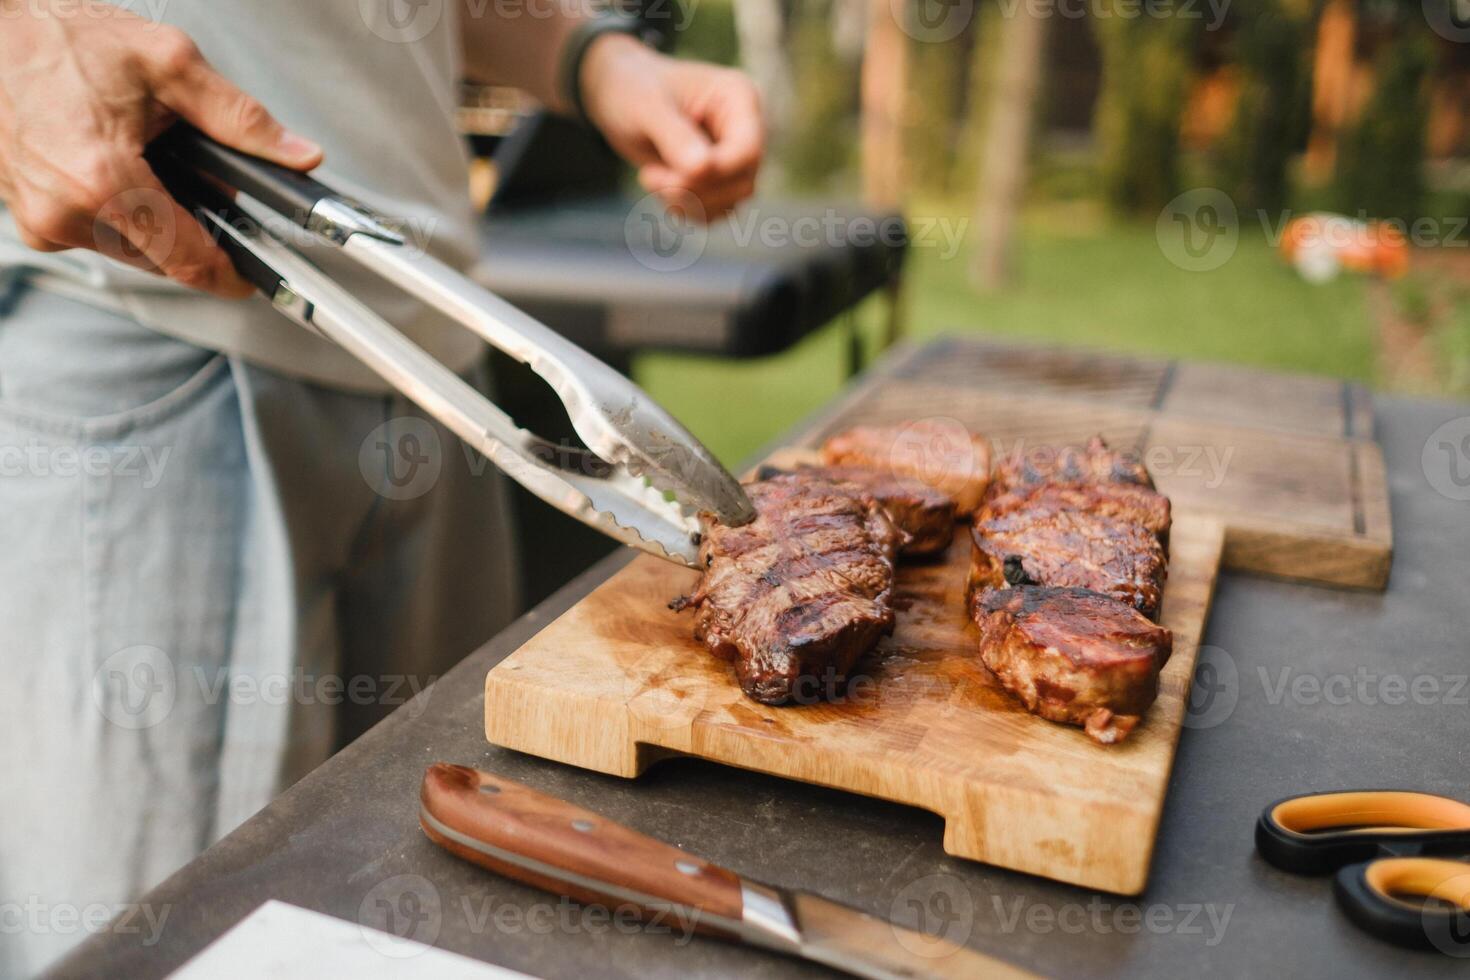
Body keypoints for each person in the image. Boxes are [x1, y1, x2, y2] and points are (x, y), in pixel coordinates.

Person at [0, 1, 763, 973]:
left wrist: (589, 59)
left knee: (442, 924)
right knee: (171, 943)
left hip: (434, 362)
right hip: (149, 343)